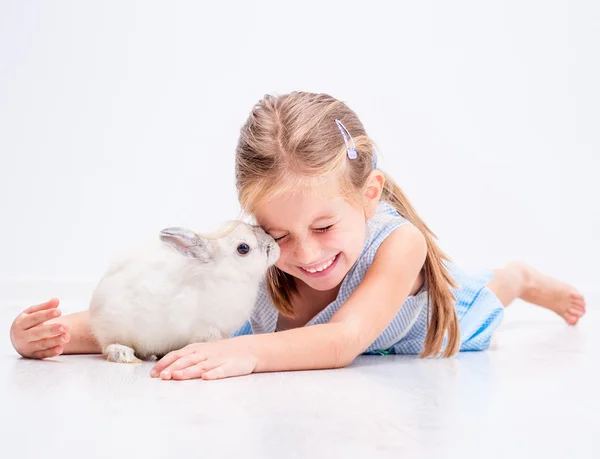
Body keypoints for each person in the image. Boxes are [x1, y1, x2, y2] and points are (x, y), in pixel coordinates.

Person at [9, 92, 587, 380]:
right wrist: (48, 334)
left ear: (369, 193)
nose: (304, 254)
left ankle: (521, 276)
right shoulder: (251, 266)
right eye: (278, 233)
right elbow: (142, 321)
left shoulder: (399, 245)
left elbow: (339, 343)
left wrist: (238, 353)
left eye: (324, 226)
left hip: (444, 314)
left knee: (489, 295)